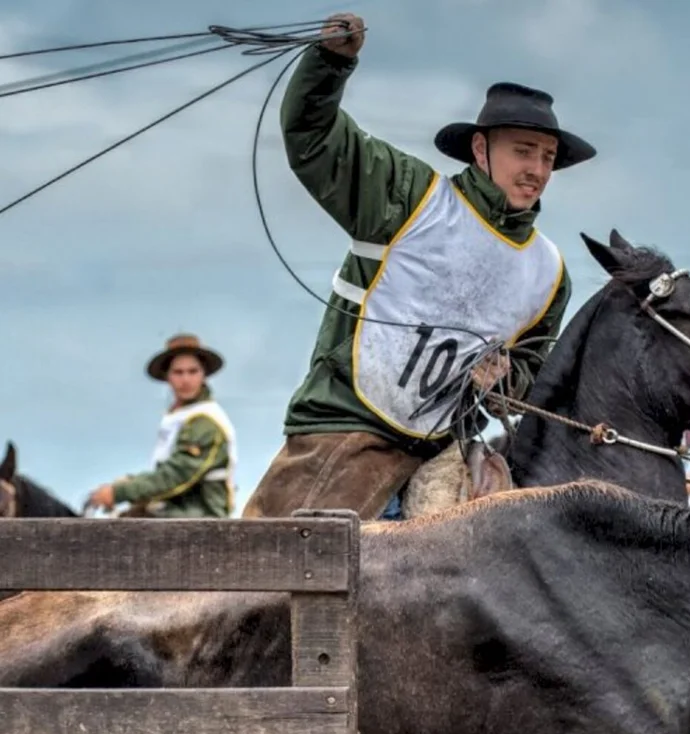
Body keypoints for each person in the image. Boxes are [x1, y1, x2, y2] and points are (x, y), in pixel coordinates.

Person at [242, 12, 596, 521]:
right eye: (523, 152)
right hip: (347, 433)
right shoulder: (410, 197)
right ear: (480, 149)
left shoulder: (549, 272)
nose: (537, 170)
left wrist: (502, 380)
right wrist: (329, 63)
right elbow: (314, 139)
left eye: (547, 157)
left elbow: (531, 375)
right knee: (256, 584)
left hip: (443, 456)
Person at [85, 334, 237, 518]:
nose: (186, 380)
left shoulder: (205, 421)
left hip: (202, 518)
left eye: (193, 371)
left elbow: (176, 476)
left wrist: (119, 492)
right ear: (168, 377)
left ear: (203, 374)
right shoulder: (178, 417)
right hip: (175, 513)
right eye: (178, 372)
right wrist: (130, 483)